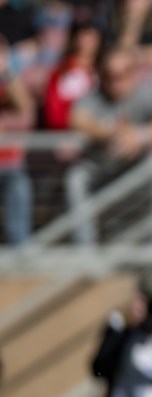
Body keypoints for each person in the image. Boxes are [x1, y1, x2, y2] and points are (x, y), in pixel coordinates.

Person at [65, 45, 152, 244]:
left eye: (124, 73)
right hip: (101, 171)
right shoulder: (93, 96)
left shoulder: (144, 93)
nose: (117, 81)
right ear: (101, 75)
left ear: (133, 72)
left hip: (137, 171)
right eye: (110, 75)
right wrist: (111, 133)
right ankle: (85, 256)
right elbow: (77, 119)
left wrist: (140, 136)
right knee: (75, 179)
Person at [0, 35, 35, 245]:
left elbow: (25, 105)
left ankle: (21, 253)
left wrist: (5, 70)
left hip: (10, 164)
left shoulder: (11, 80)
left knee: (19, 187)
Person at [43, 21, 102, 130]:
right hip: (70, 131)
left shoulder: (103, 71)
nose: (87, 42)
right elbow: (55, 113)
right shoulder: (63, 73)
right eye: (83, 36)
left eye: (91, 38)